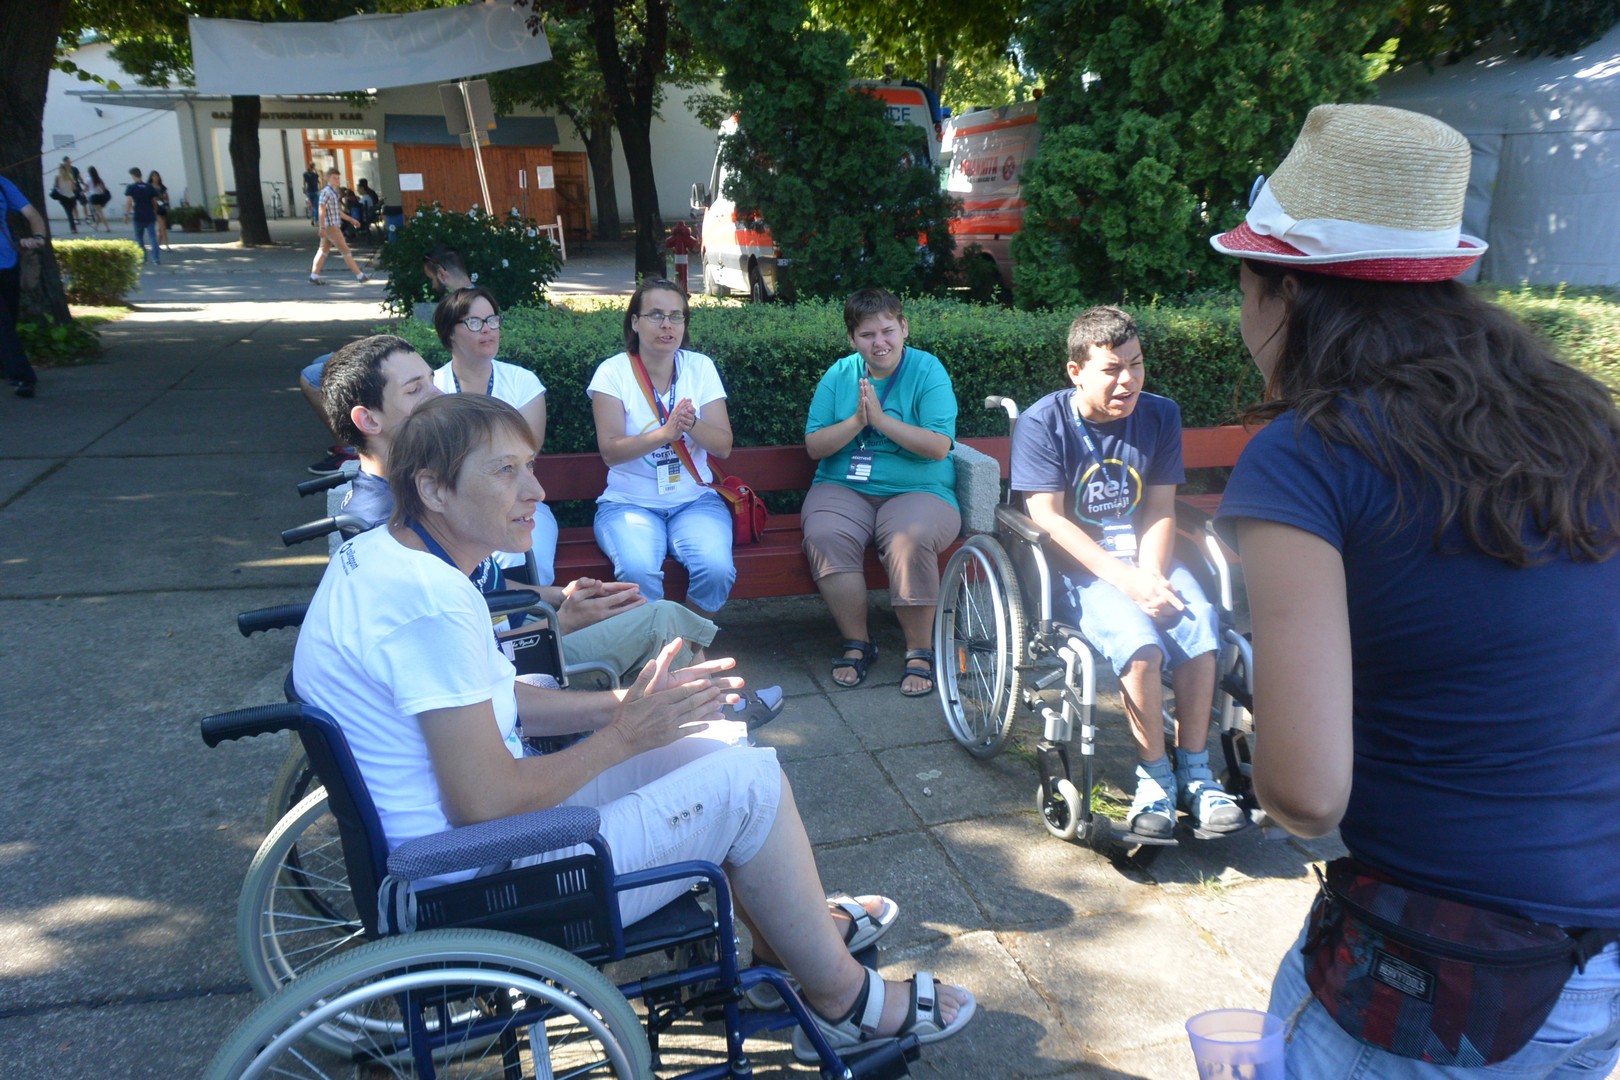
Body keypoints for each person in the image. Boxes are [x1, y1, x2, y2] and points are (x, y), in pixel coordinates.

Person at [289, 392, 973, 1061]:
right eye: (504, 471)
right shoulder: (430, 603)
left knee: (716, 740)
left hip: (458, 854)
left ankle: (781, 947)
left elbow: (503, 701)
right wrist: (624, 738)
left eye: (529, 466)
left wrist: (632, 705)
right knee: (749, 784)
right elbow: (484, 802)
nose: (535, 491)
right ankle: (843, 1000)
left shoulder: (386, 556)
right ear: (433, 490)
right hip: (484, 881)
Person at [1210, 104, 1620, 1077]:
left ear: (1287, 292)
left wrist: (1259, 696)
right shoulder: (1581, 419)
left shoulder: (1305, 457)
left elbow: (1306, 793)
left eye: (1244, 279)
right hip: (1599, 962)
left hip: (1445, 975)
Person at [316, 334, 779, 728]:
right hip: (517, 666)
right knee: (663, 621)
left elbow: (480, 589)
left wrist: (557, 596)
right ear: (368, 421)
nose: (439, 395)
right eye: (417, 389)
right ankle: (715, 722)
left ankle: (710, 716)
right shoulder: (395, 527)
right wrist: (556, 623)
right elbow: (461, 664)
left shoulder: (405, 501)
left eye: (432, 381)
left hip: (519, 637)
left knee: (648, 609)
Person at [1009, 306, 1243, 839]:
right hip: (1077, 570)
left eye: (1136, 365)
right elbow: (1048, 518)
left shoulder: (1160, 414)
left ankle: (1196, 774)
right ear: (1076, 372)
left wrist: (1150, 576)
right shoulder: (1043, 423)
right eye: (1112, 369)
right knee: (1140, 648)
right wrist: (1126, 581)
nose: (1128, 380)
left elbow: (1160, 507)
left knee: (1199, 630)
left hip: (1145, 557)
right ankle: (1153, 778)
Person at [802, 287, 960, 695]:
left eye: (888, 331)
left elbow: (938, 446)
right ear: (852, 339)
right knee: (825, 534)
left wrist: (881, 420)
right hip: (843, 486)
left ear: (904, 328)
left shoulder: (927, 370)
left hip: (919, 488)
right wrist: (857, 421)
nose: (880, 343)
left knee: (911, 539)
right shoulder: (840, 375)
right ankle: (858, 642)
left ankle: (920, 650)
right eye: (867, 334)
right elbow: (815, 445)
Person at [588, 280, 737, 615]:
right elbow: (610, 451)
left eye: (676, 316)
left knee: (716, 569)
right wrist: (665, 433)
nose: (667, 325)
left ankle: (686, 641)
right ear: (635, 322)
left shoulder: (700, 367)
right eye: (655, 315)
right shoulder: (612, 373)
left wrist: (691, 424)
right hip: (628, 504)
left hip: (695, 501)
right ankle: (656, 644)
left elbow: (723, 446)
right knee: (637, 572)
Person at [302, 246, 475, 476]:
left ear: (442, 274)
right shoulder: (469, 299)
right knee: (321, 361)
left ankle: (349, 449)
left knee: (310, 376)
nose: (433, 285)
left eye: (432, 279)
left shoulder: (460, 307)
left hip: (404, 366)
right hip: (404, 361)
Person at [433, 287, 559, 587]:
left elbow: (528, 450)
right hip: (455, 509)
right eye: (474, 322)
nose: (487, 329)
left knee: (532, 561)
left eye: (492, 320)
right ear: (450, 333)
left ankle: (530, 616)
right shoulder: (434, 387)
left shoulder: (522, 382)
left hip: (518, 501)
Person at [0, 173, 47, 398]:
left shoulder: (3, 184)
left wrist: (38, 237)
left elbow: (32, 214)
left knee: (8, 320)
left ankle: (6, 367)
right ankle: (24, 377)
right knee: (2, 324)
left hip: (8, 264)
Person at [309, 168, 368, 285]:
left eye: (338, 178)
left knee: (322, 251)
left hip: (330, 226)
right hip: (331, 226)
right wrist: (322, 227)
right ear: (328, 179)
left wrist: (351, 220)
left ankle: (314, 276)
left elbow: (337, 212)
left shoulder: (333, 192)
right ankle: (360, 275)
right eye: (334, 178)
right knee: (346, 251)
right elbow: (321, 209)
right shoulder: (327, 192)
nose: (337, 180)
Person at [122, 168, 159, 265]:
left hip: (138, 215)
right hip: (150, 214)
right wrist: (155, 212)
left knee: (139, 237)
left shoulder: (131, 187)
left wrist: (126, 214)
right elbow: (154, 202)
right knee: (153, 237)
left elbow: (129, 202)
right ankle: (155, 259)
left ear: (133, 176)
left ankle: (143, 258)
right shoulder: (149, 187)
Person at [50, 160, 81, 234]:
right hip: (72, 197)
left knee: (69, 213)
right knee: (71, 212)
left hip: (63, 197)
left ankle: (73, 228)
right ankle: (74, 228)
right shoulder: (70, 176)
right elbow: (74, 188)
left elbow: (56, 187)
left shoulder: (57, 177)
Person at [147, 171, 170, 249]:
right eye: (154, 176)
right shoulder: (149, 186)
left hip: (163, 207)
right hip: (154, 207)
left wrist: (165, 198)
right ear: (151, 177)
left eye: (157, 176)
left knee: (161, 227)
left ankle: (157, 244)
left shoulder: (162, 187)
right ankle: (166, 244)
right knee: (162, 226)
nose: (156, 178)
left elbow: (167, 197)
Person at [84, 167, 112, 232]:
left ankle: (107, 227)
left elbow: (86, 188)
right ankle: (96, 226)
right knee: (98, 212)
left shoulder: (87, 179)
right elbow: (103, 188)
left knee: (100, 213)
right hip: (101, 196)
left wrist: (83, 191)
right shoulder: (98, 178)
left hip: (94, 197)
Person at [302, 162, 320, 226]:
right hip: (315, 191)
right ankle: (316, 220)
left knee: (312, 206)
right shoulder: (315, 174)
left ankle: (312, 219)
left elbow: (304, 183)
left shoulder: (305, 174)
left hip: (309, 191)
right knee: (316, 206)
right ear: (314, 167)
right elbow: (318, 182)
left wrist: (304, 189)